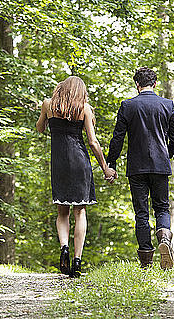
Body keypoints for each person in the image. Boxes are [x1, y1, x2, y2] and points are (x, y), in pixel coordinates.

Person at [36, 76, 115, 277]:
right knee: (80, 212)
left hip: (59, 163)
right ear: (80, 91)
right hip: (80, 162)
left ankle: (64, 248)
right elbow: (93, 142)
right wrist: (105, 168)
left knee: (62, 211)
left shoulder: (48, 105)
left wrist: (47, 117)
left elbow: (40, 128)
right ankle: (77, 260)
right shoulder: (84, 109)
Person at [106, 67, 174, 269]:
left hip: (137, 167)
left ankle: (146, 262)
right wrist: (167, 154)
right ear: (155, 84)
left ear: (136, 85)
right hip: (160, 165)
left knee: (141, 213)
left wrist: (111, 164)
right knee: (162, 208)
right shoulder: (167, 105)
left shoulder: (128, 106)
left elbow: (117, 139)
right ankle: (164, 239)